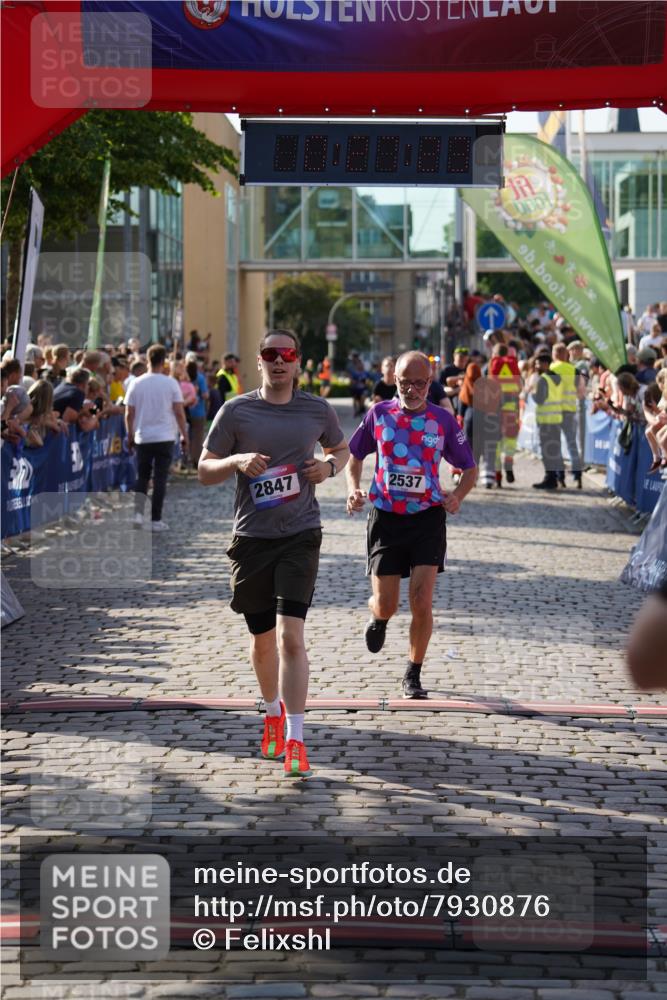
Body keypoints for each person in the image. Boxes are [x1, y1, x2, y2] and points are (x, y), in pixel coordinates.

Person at [198, 329, 349, 779]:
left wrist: (328, 468)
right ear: (259, 361)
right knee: (262, 641)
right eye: (270, 354)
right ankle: (271, 712)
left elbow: (339, 450)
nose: (279, 361)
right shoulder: (236, 410)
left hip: (301, 533)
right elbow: (204, 469)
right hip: (252, 538)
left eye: (287, 354)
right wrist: (235, 461)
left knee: (290, 638)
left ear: (299, 362)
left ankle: (298, 739)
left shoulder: (316, 409)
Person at [345, 350, 477, 699]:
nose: (412, 389)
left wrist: (458, 495)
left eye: (419, 383)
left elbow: (470, 466)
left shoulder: (443, 421)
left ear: (429, 383)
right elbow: (354, 456)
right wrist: (353, 489)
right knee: (387, 603)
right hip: (386, 517)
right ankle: (378, 617)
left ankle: (413, 673)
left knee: (421, 600)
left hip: (427, 518)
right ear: (395, 381)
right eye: (405, 382)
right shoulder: (379, 414)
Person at [125, 344, 188, 532]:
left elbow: (129, 412)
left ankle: (137, 515)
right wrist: (185, 434)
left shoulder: (136, 382)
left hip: (143, 436)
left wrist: (129, 433)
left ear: (147, 359)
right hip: (165, 436)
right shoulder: (170, 383)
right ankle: (155, 519)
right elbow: (179, 412)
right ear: (164, 361)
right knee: (160, 478)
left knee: (142, 476)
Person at [550, 343, 583, 488]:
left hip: (554, 411)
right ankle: (578, 477)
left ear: (554, 354)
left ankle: (560, 477)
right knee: (572, 445)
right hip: (569, 411)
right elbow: (580, 392)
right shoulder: (574, 370)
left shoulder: (551, 369)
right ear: (566, 354)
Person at [489, 344, 522, 486]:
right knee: (510, 439)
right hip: (511, 408)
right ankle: (508, 464)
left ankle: (497, 474)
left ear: (495, 353)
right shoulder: (513, 365)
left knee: (495, 442)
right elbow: (519, 387)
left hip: (496, 409)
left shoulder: (493, 365)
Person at [532, 350, 563, 490]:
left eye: (538, 364)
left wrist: (532, 393)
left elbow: (540, 399)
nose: (536, 366)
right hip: (556, 419)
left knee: (547, 451)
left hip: (546, 420)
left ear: (545, 364)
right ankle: (554, 477)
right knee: (554, 450)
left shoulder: (544, 379)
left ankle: (550, 478)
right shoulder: (557, 377)